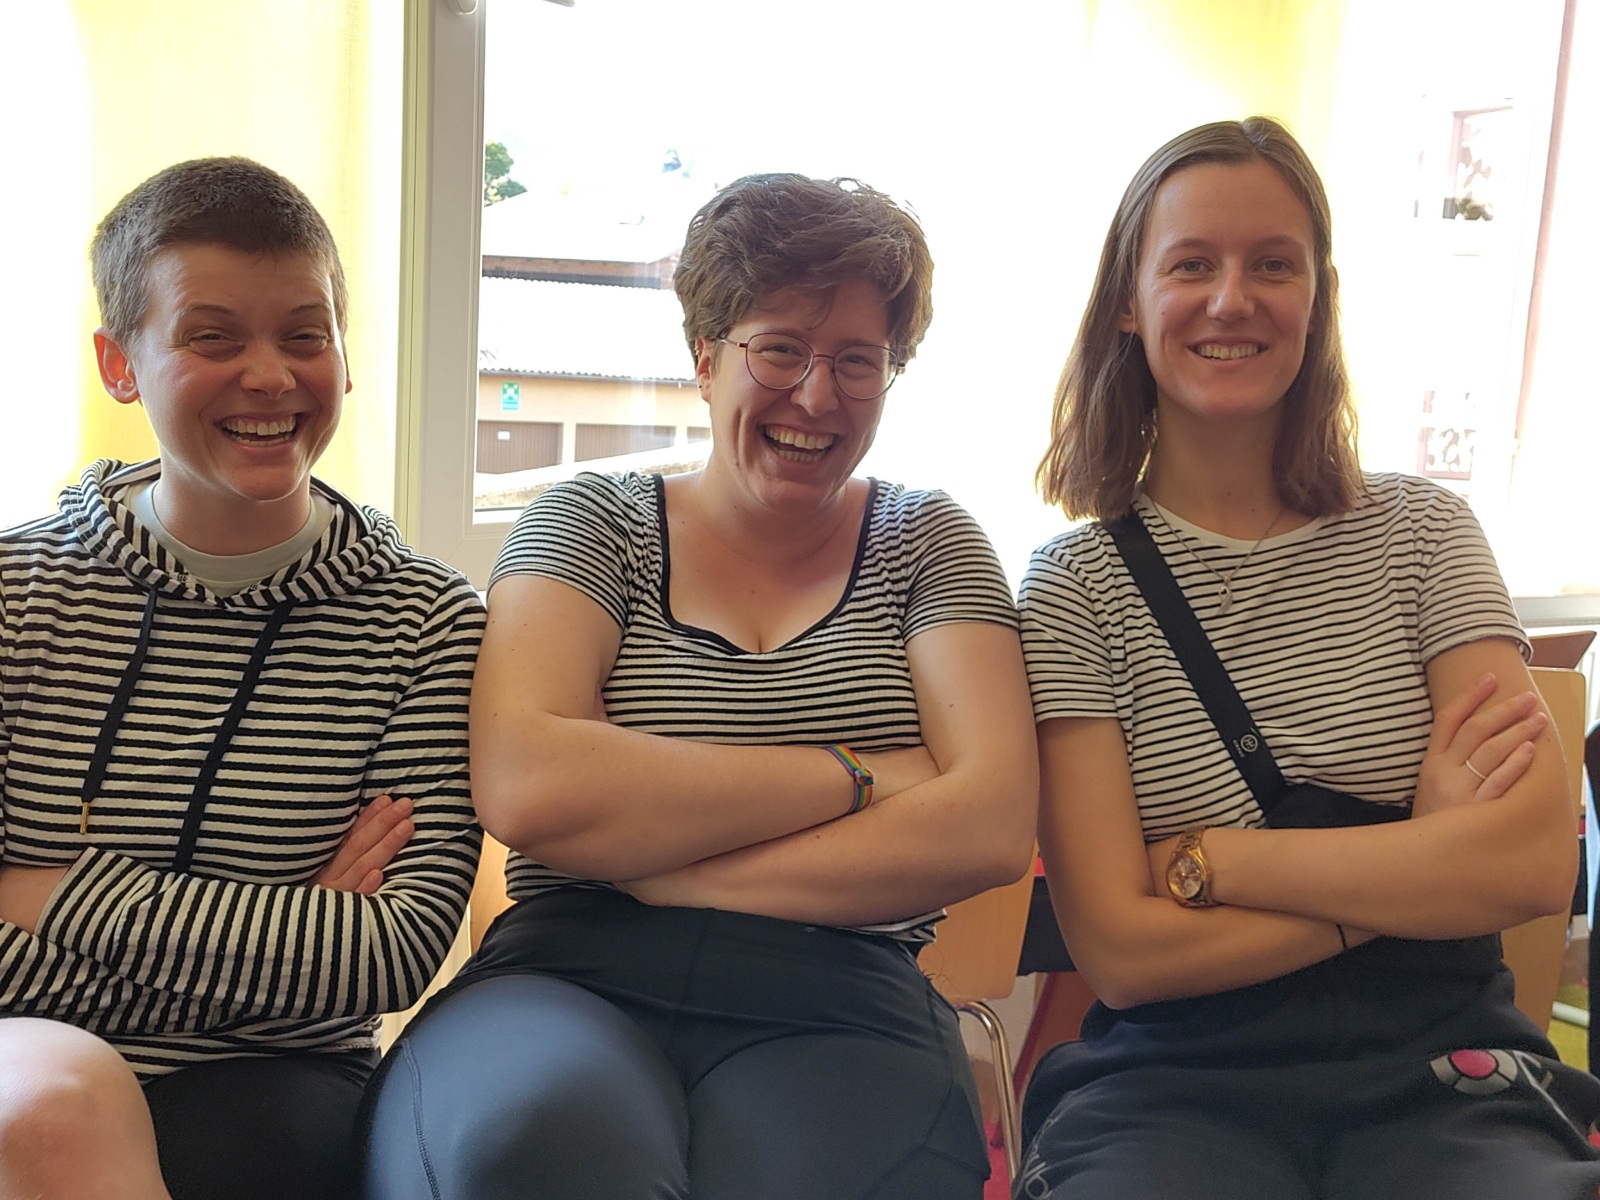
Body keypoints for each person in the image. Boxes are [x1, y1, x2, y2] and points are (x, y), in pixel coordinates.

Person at [361, 173, 1038, 1200]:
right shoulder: (590, 520)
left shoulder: (930, 541)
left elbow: (988, 826)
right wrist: (859, 775)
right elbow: (531, 787)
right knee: (523, 1148)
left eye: (858, 360)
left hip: (843, 996)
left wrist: (664, 863)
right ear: (705, 356)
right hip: (565, 973)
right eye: (780, 350)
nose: (817, 395)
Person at [1012, 115, 1600, 1200]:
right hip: (1169, 1092)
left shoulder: (1424, 534)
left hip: (1450, 1079)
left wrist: (1211, 864)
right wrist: (1416, 861)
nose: (1232, 299)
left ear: (1318, 297)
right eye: (1192, 264)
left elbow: (1526, 869)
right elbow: (1124, 955)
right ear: (1129, 303)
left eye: (1273, 265)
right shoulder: (1072, 587)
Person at [0, 158, 484, 1200]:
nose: (269, 376)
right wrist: (281, 935)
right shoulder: (14, 593)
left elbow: (390, 954)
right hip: (22, 1061)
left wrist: (48, 890)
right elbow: (331, 958)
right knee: (49, 1107)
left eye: (304, 336)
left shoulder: (430, 622)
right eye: (212, 338)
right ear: (119, 364)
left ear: (346, 355)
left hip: (278, 1085)